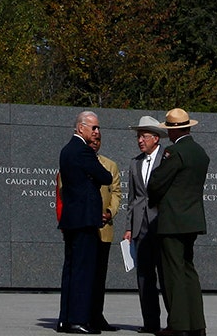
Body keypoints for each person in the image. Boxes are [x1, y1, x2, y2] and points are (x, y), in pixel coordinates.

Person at [146, 108, 209, 336]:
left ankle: (179, 325)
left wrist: (154, 201)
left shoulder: (175, 152)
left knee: (173, 273)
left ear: (173, 131)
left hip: (172, 220)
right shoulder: (200, 152)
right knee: (188, 271)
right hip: (192, 220)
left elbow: (156, 182)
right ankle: (197, 324)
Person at [58, 112, 113, 335]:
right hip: (84, 219)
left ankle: (65, 319)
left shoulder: (66, 150)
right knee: (83, 271)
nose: (97, 132)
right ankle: (78, 320)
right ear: (81, 128)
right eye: (94, 128)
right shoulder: (82, 150)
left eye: (98, 128)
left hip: (72, 219)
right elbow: (105, 177)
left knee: (71, 270)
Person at [125, 116, 170, 336]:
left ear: (155, 138)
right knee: (144, 277)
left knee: (166, 275)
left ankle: (174, 322)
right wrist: (128, 227)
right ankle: (150, 322)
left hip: (161, 226)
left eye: (143, 136)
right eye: (138, 136)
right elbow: (132, 198)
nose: (140, 140)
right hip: (140, 227)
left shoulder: (168, 158)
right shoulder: (135, 163)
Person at [93, 131, 122, 332]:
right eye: (92, 139)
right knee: (84, 275)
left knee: (99, 276)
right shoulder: (77, 161)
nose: (96, 142)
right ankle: (81, 314)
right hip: (84, 228)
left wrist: (110, 212)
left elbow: (117, 192)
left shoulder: (110, 165)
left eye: (99, 140)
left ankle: (97, 315)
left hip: (104, 229)